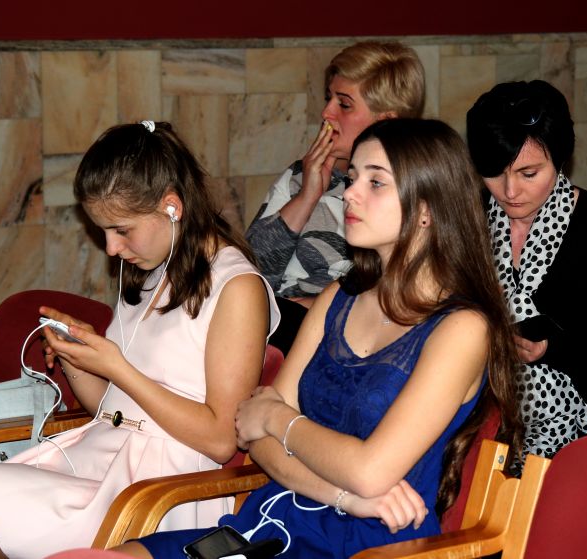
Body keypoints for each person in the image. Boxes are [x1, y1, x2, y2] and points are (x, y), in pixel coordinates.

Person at [117, 119, 522, 559]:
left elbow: (370, 470)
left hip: (376, 543)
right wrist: (342, 495)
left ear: (426, 209)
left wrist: (278, 419)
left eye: (375, 182)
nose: (349, 193)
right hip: (275, 522)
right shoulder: (337, 299)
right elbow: (253, 435)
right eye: (353, 178)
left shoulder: (462, 328)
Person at [0, 121, 280, 558]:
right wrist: (78, 359)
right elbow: (113, 410)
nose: (110, 248)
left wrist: (119, 368)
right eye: (102, 230)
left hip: (160, 490)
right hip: (100, 463)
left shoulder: (236, 287)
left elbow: (221, 440)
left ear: (171, 207)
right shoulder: (150, 272)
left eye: (121, 230)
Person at [465, 80, 587, 462]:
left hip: (575, 415)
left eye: (529, 173)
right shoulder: (470, 218)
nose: (510, 191)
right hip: (476, 400)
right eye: (495, 172)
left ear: (560, 160)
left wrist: (552, 348)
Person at [245, 41, 425, 353]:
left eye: (344, 104)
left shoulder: (413, 191)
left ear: (386, 121)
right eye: (329, 97)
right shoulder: (301, 175)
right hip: (274, 326)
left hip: (351, 337)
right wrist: (307, 196)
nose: (326, 112)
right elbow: (247, 275)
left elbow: (409, 288)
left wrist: (319, 305)